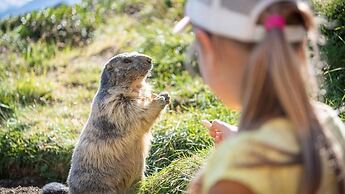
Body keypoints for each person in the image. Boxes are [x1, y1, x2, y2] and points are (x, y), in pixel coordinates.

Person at [174, 0, 345, 193]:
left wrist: (235, 154)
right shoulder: (328, 124)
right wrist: (243, 139)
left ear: (205, 45)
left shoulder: (235, 174)